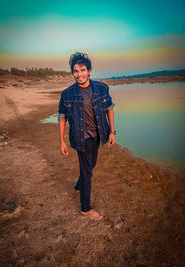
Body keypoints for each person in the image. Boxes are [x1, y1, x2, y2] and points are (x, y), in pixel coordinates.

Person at [58, 52, 116, 221]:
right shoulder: (67, 94)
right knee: (87, 172)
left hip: (99, 135)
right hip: (80, 138)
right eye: (75, 71)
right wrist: (61, 141)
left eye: (82, 70)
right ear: (72, 73)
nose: (79, 74)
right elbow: (62, 117)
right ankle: (85, 208)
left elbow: (109, 108)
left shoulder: (102, 88)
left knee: (91, 165)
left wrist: (112, 132)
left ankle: (78, 184)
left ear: (89, 71)